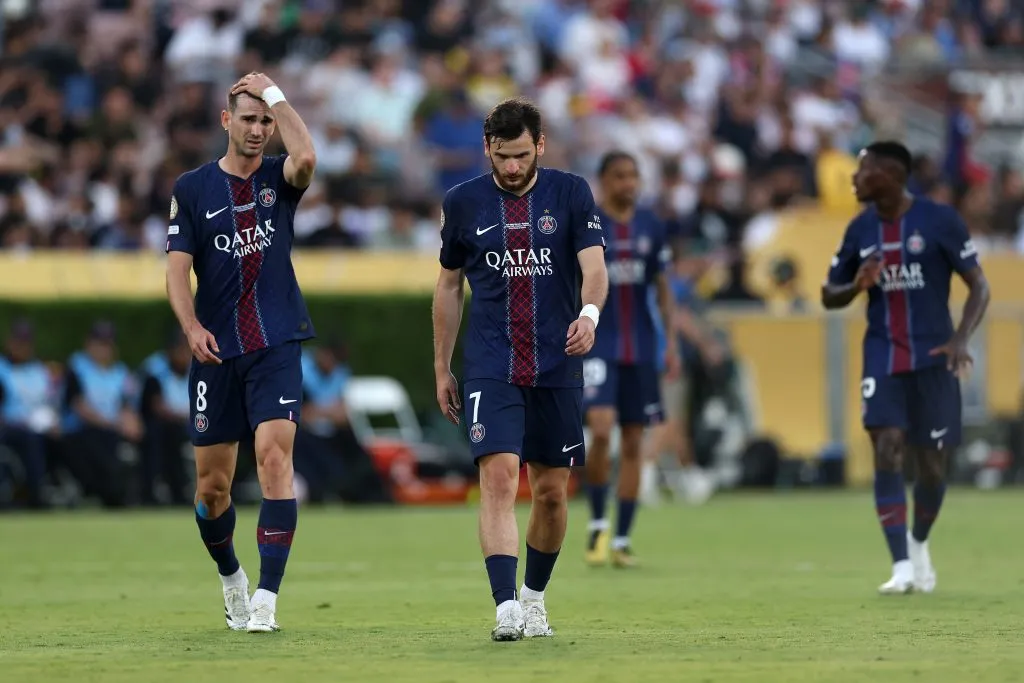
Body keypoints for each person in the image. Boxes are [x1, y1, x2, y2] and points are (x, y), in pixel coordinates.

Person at [432, 97, 608, 641]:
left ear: (541, 146)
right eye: (502, 155)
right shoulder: (463, 202)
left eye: (522, 155)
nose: (512, 167)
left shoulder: (571, 193)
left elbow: (595, 267)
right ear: (487, 148)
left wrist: (589, 313)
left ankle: (534, 598)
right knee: (500, 477)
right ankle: (505, 604)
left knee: (552, 492)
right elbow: (447, 287)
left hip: (556, 364)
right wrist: (442, 366)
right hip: (491, 365)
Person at [165, 71, 317, 632]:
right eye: (249, 119)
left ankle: (267, 600)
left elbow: (308, 153)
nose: (258, 130)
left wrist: (278, 94)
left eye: (266, 121)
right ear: (227, 121)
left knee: (276, 461)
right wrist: (189, 326)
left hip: (277, 343)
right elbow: (177, 272)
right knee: (212, 488)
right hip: (216, 353)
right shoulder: (193, 188)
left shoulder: (282, 178)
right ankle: (233, 579)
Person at [822, 141, 990, 595]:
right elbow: (827, 294)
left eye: (862, 171)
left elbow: (979, 286)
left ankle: (918, 543)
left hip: (934, 359)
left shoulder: (940, 221)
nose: (854, 179)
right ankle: (900, 565)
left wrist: (960, 339)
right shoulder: (859, 230)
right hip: (883, 355)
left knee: (932, 469)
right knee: (888, 446)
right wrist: (857, 285)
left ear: (889, 175)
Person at [579, 151, 678, 568]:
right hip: (600, 344)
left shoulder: (651, 227)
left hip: (640, 347)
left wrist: (669, 342)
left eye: (634, 176)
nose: (629, 184)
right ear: (603, 180)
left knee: (635, 441)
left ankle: (621, 539)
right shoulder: (588, 223)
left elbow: (661, 288)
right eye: (620, 176)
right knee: (601, 431)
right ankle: (598, 522)